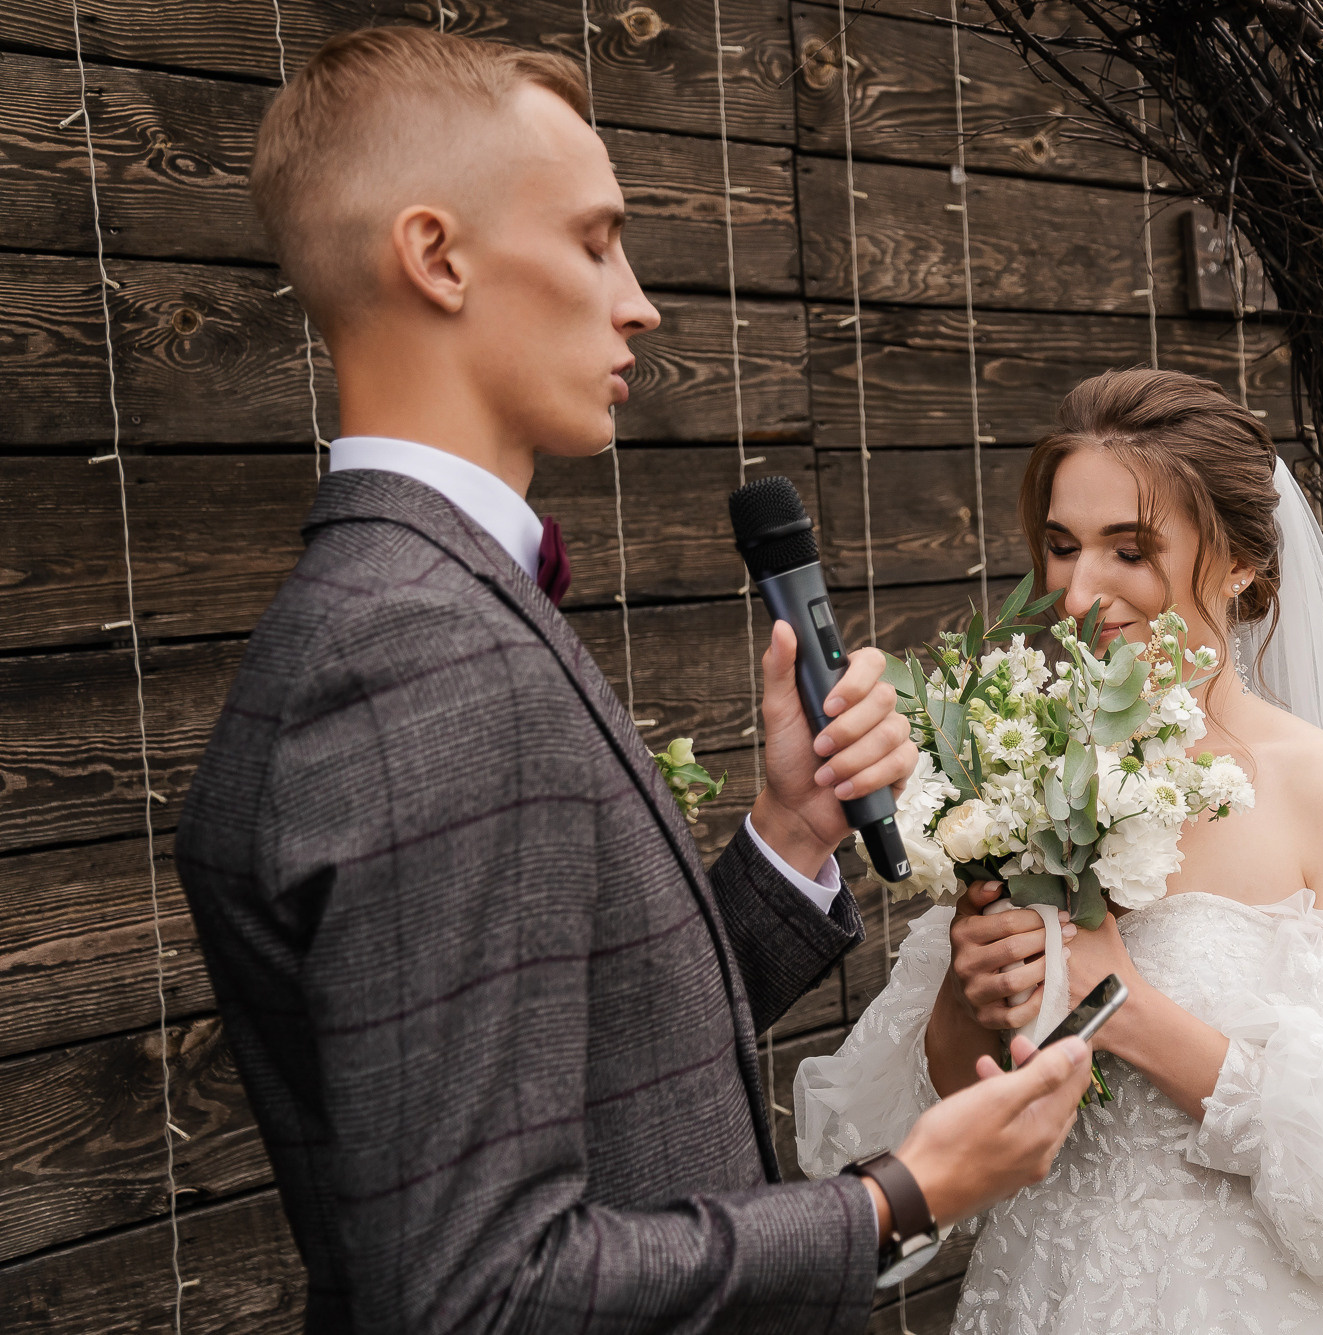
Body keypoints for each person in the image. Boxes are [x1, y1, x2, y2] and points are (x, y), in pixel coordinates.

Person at [175, 27, 1095, 1335]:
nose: (641, 301)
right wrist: (898, 1191)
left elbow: (591, 1054)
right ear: (437, 257)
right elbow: (483, 1289)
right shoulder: (420, 658)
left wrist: (790, 830)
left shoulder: (434, 608)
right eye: (597, 239)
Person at [794, 369, 1323, 1334]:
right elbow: (926, 1120)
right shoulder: (1022, 758)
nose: (1080, 592)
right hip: (1040, 1292)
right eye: (1062, 546)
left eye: (1131, 549)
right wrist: (971, 988)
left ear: (1243, 561)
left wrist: (1124, 1008)